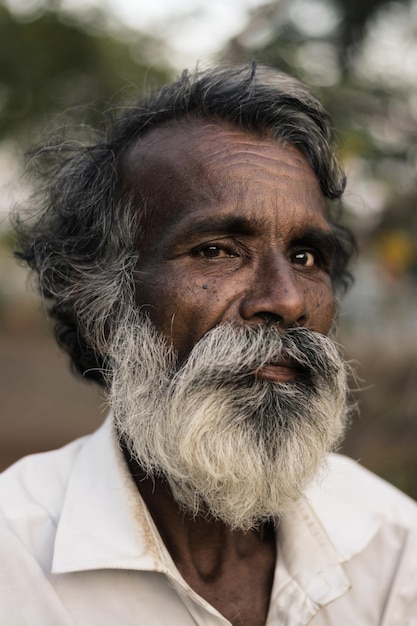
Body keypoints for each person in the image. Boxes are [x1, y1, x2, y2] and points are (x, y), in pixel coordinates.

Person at [1, 63, 416, 626]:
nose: (287, 299)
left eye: (305, 257)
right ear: (101, 306)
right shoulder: (16, 562)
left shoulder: (392, 545)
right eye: (217, 250)